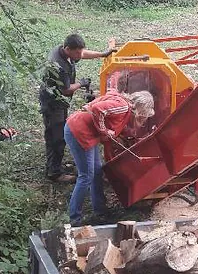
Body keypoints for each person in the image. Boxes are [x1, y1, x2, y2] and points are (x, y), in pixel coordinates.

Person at [64, 90, 154, 226]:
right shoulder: (123, 107)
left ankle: (100, 211)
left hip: (87, 133)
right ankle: (74, 219)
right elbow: (96, 109)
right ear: (141, 109)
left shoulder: (124, 109)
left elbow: (113, 124)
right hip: (78, 131)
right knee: (86, 175)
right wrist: (104, 131)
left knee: (97, 172)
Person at [39, 34, 116, 183]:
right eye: (77, 53)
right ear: (67, 49)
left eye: (80, 51)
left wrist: (103, 54)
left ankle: (54, 166)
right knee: (56, 137)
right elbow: (67, 90)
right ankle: (54, 173)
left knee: (57, 134)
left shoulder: (66, 51)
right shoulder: (58, 65)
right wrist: (81, 83)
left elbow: (82, 53)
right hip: (53, 104)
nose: (80, 55)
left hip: (60, 102)